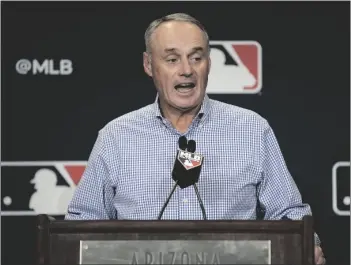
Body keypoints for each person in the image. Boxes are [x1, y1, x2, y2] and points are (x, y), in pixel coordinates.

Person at [65, 13, 325, 264]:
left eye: (196, 57)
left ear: (208, 63)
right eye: (172, 59)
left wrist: (306, 245)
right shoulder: (116, 137)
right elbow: (82, 225)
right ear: (148, 65)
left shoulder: (252, 129)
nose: (186, 70)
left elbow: (288, 214)